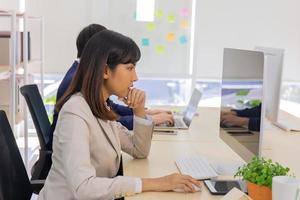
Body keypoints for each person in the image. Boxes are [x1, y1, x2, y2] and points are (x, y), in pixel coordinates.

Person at [38, 30, 200, 200]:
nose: (135, 77)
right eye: (130, 68)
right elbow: (84, 188)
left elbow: (139, 151)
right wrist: (158, 183)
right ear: (105, 71)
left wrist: (139, 111)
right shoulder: (75, 113)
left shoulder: (101, 106)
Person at [50, 24, 174, 143]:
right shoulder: (78, 83)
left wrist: (142, 112)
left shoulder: (83, 74)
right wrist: (150, 119)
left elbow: (111, 109)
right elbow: (109, 119)